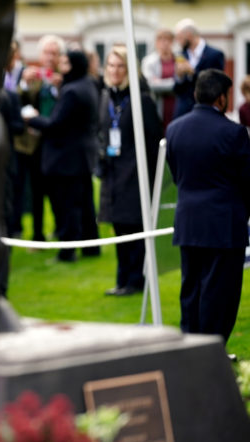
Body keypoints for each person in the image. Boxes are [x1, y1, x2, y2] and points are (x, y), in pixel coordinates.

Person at [166, 69, 250, 343]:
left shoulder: (174, 128)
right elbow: (247, 181)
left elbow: (176, 173)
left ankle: (191, 349)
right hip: (224, 225)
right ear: (222, 98)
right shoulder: (233, 133)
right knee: (220, 295)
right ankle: (212, 353)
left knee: (191, 290)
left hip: (189, 220)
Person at [97, 45, 162, 296]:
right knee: (118, 229)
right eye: (111, 66)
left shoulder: (141, 99)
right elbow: (102, 131)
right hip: (112, 173)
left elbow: (154, 139)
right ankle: (122, 279)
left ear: (130, 69)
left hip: (135, 176)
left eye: (120, 66)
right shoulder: (105, 97)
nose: (115, 71)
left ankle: (135, 280)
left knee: (133, 230)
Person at [25, 50, 100, 263]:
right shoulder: (88, 83)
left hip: (67, 158)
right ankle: (91, 247)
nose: (61, 65)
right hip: (83, 155)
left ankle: (67, 252)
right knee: (85, 205)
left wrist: (32, 119)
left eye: (66, 62)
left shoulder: (72, 91)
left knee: (68, 207)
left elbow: (55, 125)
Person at [17, 34, 66, 243]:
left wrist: (59, 86)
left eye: (54, 53)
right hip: (36, 144)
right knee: (36, 192)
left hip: (57, 143)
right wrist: (25, 84)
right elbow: (20, 100)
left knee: (58, 192)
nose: (50, 57)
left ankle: (61, 231)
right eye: (46, 52)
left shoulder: (63, 77)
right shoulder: (33, 75)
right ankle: (38, 236)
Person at [172, 19, 225, 119]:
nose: (178, 41)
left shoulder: (215, 55)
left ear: (189, 35)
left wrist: (192, 72)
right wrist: (179, 77)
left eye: (180, 37)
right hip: (182, 113)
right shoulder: (181, 55)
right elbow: (176, 90)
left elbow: (216, 84)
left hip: (206, 113)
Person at [142, 28, 177, 128]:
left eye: (168, 40)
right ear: (156, 42)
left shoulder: (179, 59)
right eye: (161, 39)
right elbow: (151, 85)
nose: (165, 43)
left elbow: (186, 83)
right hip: (158, 106)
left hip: (175, 107)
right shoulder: (149, 61)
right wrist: (175, 83)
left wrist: (160, 82)